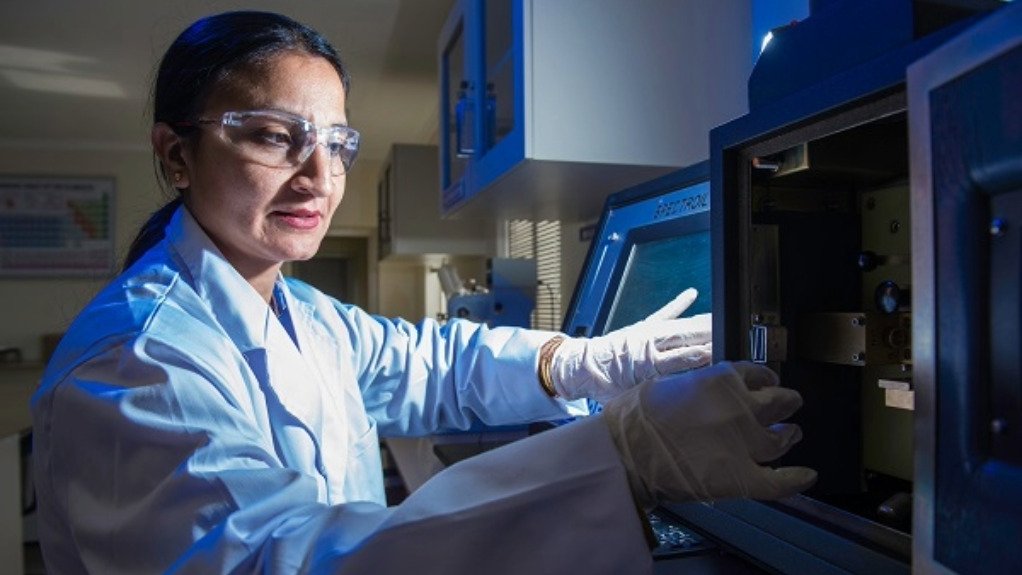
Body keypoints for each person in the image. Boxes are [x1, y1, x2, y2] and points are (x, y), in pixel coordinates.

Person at [30, 10, 815, 574]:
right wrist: (623, 455)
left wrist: (582, 361)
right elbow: (276, 562)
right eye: (274, 135)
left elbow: (433, 361)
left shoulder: (298, 310)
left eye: (336, 143)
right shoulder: (138, 362)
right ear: (176, 155)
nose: (319, 175)